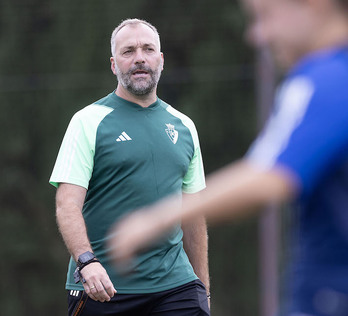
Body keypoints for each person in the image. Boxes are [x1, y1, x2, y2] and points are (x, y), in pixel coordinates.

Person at [110, 1, 348, 315]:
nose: (257, 35)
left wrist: (155, 219)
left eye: (265, 17)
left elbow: (269, 177)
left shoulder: (326, 81)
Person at [49, 18, 210, 316]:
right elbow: (67, 204)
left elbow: (193, 215)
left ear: (161, 60)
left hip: (177, 287)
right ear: (113, 64)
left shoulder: (184, 125)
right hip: (104, 288)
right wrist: (87, 262)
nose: (139, 58)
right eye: (128, 51)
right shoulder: (88, 121)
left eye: (148, 49)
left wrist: (203, 287)